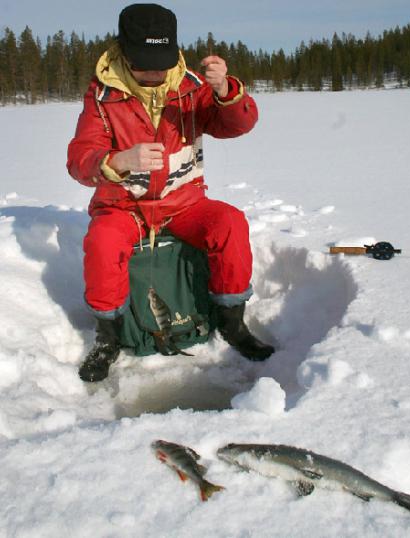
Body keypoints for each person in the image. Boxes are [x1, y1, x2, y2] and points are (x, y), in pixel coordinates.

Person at [67, 3, 274, 382]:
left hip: (183, 203)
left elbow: (238, 124)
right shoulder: (101, 97)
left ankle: (232, 323)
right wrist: (119, 159)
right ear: (125, 54)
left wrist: (226, 90)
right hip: (124, 206)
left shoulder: (190, 87)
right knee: (103, 241)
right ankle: (108, 337)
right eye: (144, 64)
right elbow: (79, 159)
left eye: (160, 64)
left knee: (229, 223)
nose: (153, 73)